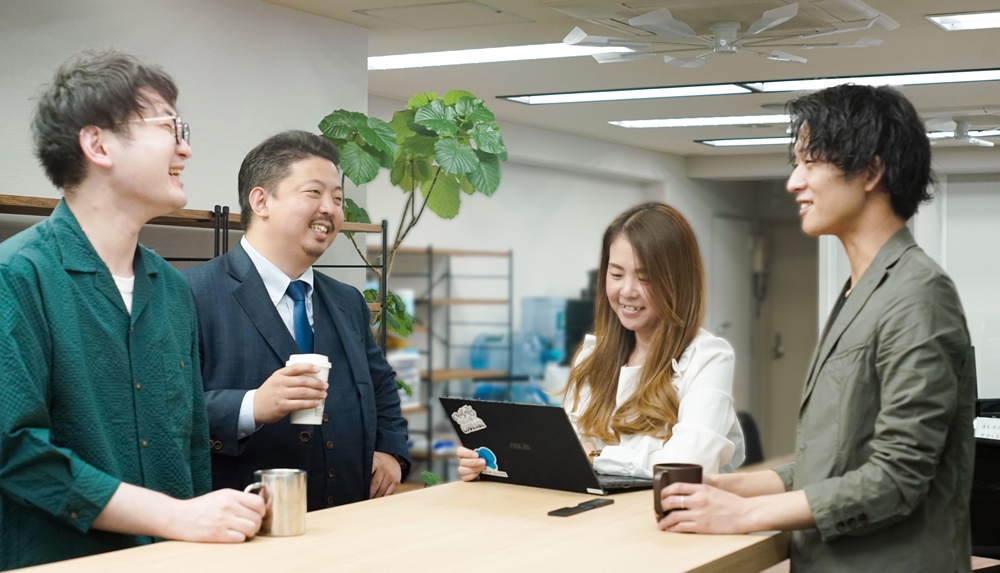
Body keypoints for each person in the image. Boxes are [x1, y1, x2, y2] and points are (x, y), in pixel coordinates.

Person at [657, 85, 976, 573]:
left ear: (871, 171)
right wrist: (731, 487)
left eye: (809, 162)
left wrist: (745, 514)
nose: (793, 182)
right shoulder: (861, 288)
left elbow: (896, 479)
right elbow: (833, 464)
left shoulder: (917, 294)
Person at [0, 50, 265, 570]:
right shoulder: (18, 276)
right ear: (97, 143)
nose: (185, 149)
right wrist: (174, 517)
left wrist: (206, 521)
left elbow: (189, 445)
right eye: (170, 126)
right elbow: (18, 455)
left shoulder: (168, 287)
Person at [182, 131, 409, 511]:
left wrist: (390, 450)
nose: (331, 209)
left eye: (338, 199)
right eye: (314, 193)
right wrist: (253, 405)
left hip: (349, 520)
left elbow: (381, 384)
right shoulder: (189, 293)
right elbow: (167, 409)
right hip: (245, 527)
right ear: (261, 201)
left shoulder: (346, 300)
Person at [458, 203, 745, 480]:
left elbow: (690, 463)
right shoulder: (593, 355)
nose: (626, 291)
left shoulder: (708, 356)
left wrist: (597, 457)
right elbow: (565, 452)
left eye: (644, 278)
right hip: (602, 516)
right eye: (616, 274)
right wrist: (492, 465)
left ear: (678, 281)